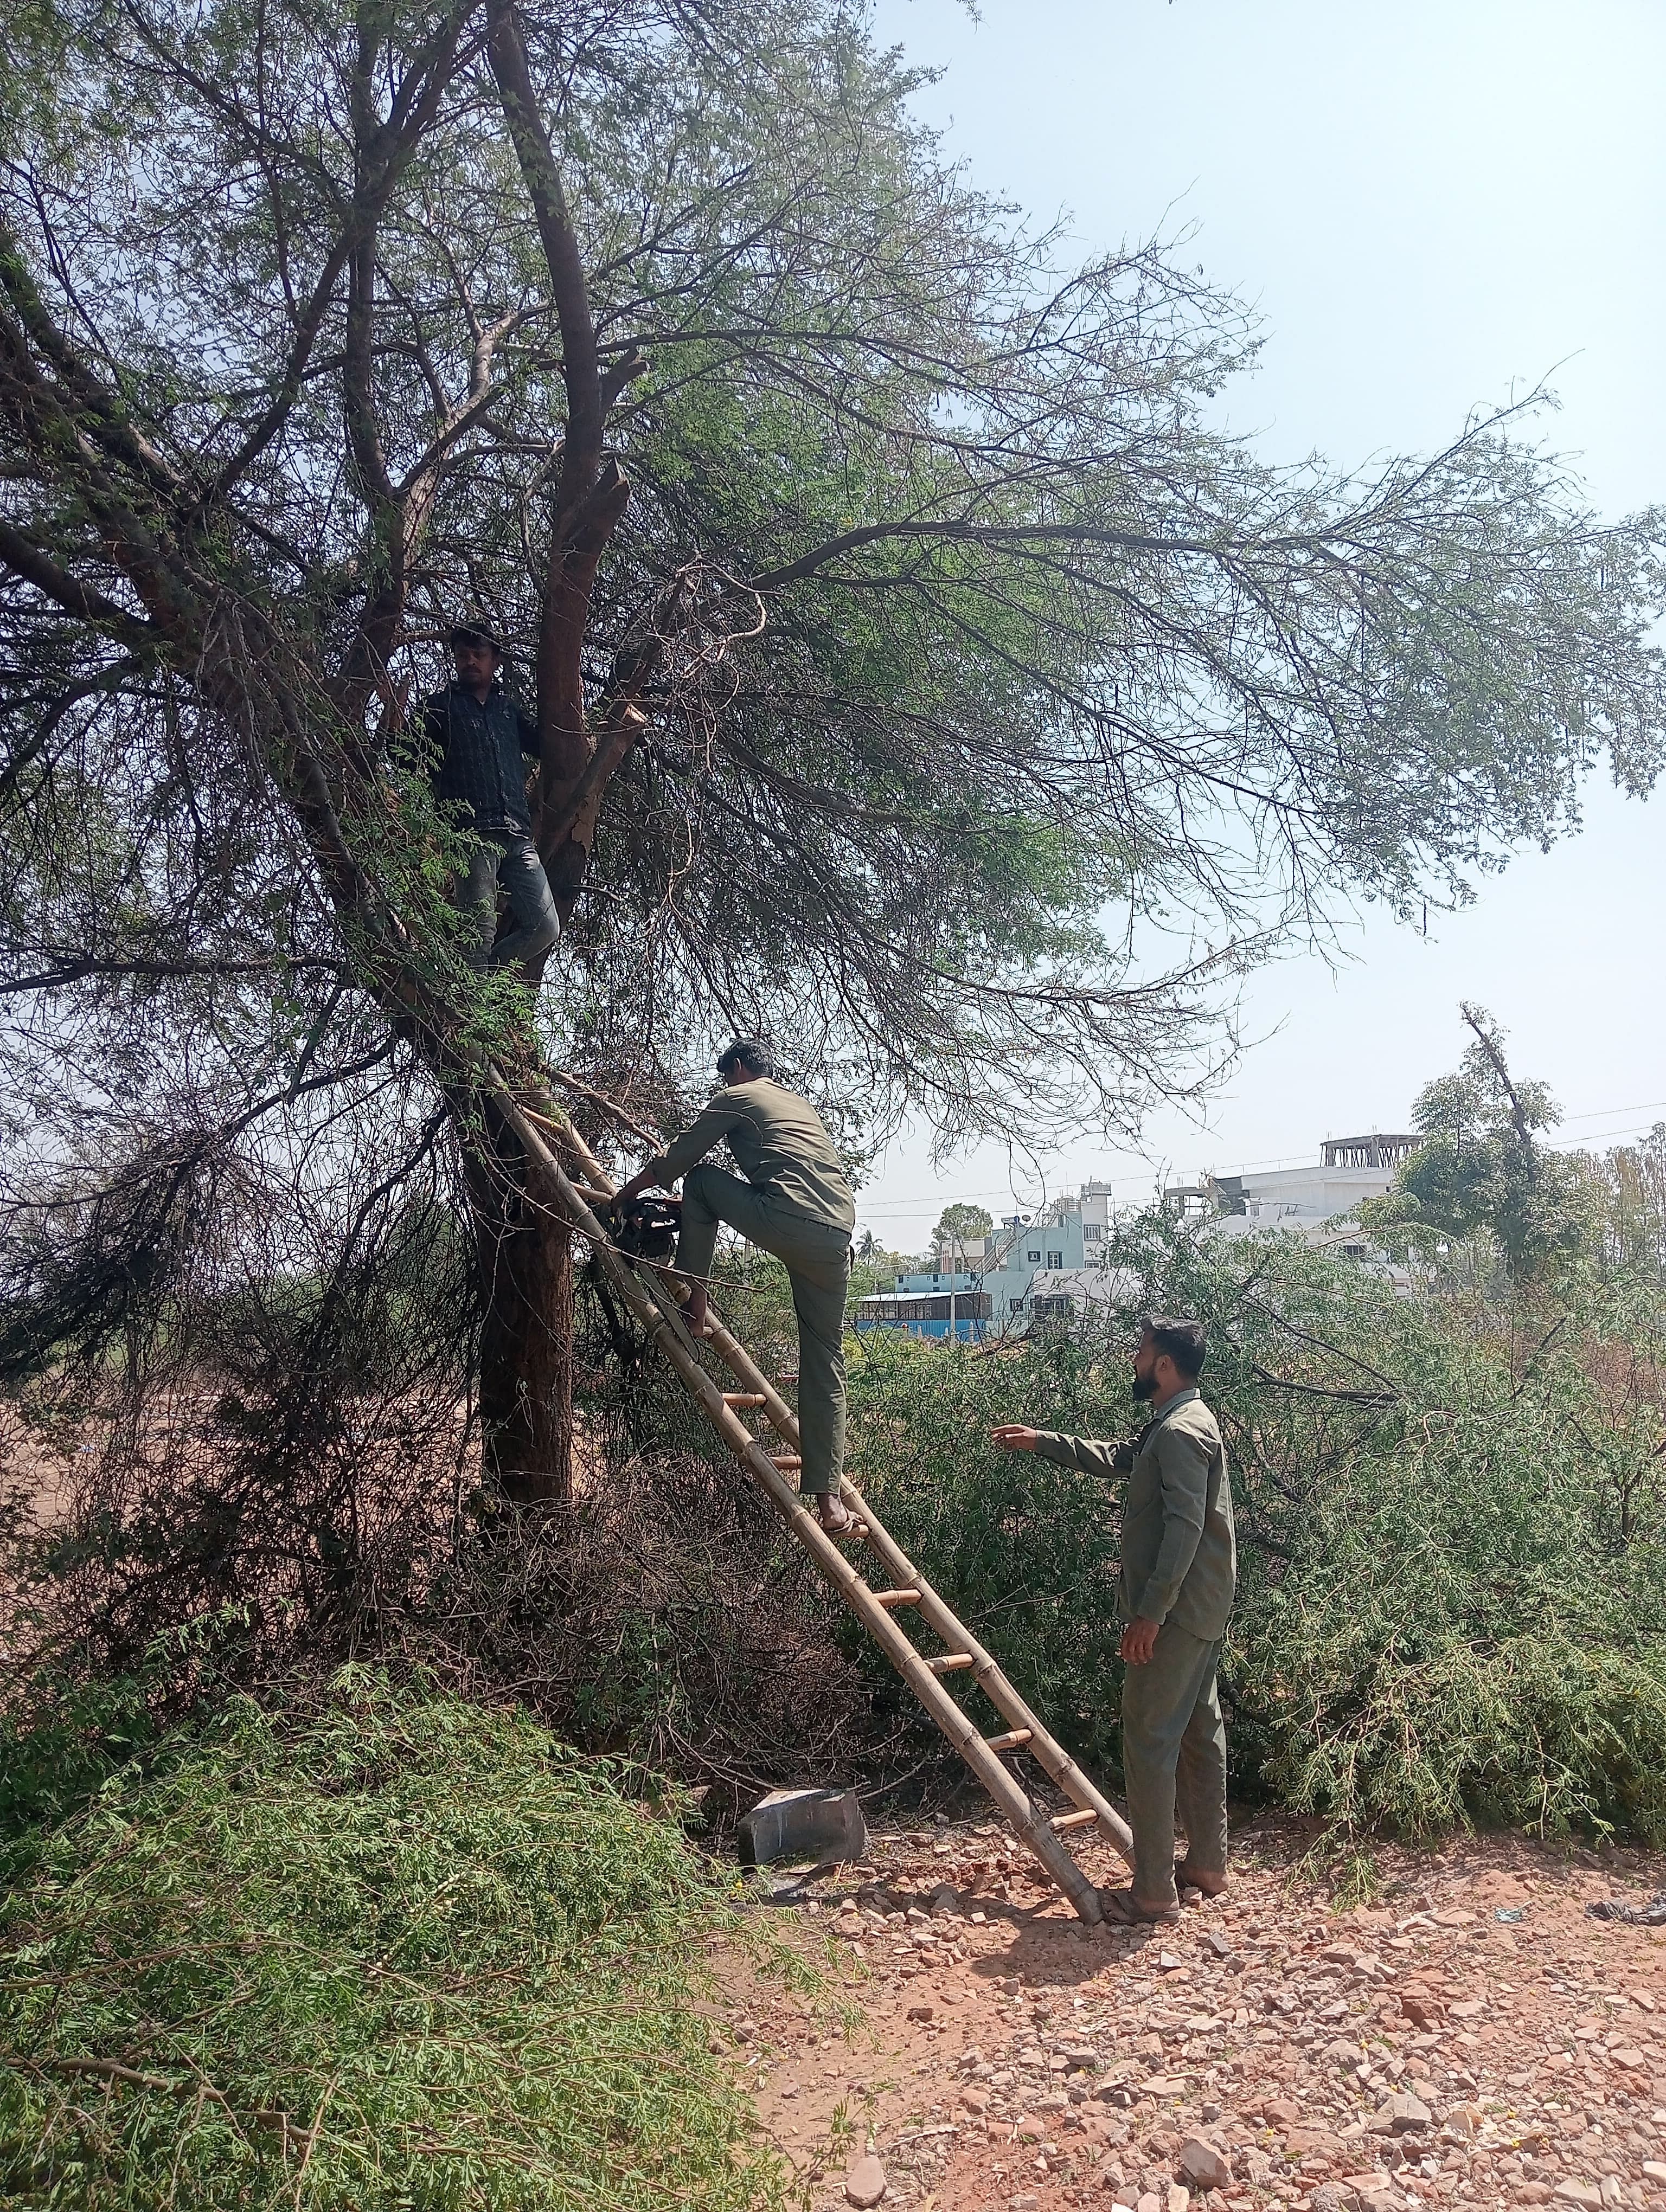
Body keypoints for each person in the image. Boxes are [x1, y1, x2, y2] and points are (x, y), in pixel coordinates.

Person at [990, 1315, 1236, 1922]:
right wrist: (1043, 1441)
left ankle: (1154, 1892)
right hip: (1203, 1607)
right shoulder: (1182, 1422)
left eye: (1141, 1352)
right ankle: (1206, 1865)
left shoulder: (1180, 1431)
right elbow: (1126, 1458)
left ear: (1164, 1366)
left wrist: (1150, 1614)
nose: (1134, 1359)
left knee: (1150, 1740)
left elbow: (1183, 1530)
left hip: (1175, 1614)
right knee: (1200, 1732)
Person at [615, 1041, 857, 1535]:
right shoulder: (798, 1104)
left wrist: (625, 1195)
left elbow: (678, 1164)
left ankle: (696, 1306)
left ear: (740, 1069)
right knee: (824, 1364)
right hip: (837, 1237)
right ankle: (830, 1504)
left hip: (786, 1219)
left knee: (702, 1182)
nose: (725, 1085)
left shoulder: (740, 1096)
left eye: (727, 1077)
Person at [418, 622, 561, 970]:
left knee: (545, 927)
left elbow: (548, 746)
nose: (470, 662)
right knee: (479, 931)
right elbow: (410, 756)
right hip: (470, 834)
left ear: (494, 660)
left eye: (478, 655)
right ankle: (470, 1012)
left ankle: (483, 980)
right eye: (463, 655)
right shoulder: (439, 707)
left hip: (517, 835)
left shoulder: (507, 710)